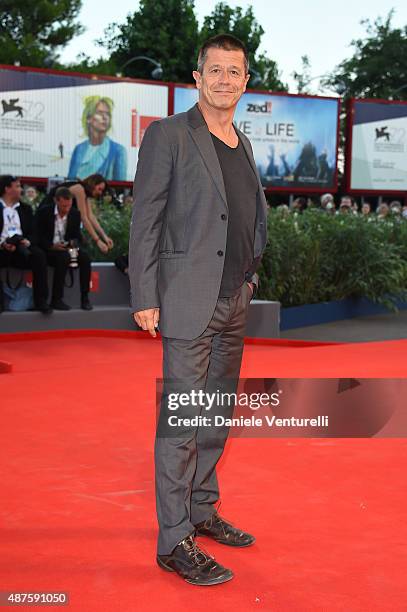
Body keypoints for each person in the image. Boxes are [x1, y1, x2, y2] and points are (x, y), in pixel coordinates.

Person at [129, 34, 268, 586]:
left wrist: (251, 277)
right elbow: (146, 218)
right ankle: (173, 541)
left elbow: (250, 214)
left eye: (234, 72)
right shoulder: (168, 135)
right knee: (183, 422)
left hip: (235, 297)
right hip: (187, 299)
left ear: (245, 80)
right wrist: (144, 295)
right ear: (197, 76)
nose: (225, 80)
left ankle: (203, 510)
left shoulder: (242, 141)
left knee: (215, 416)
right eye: (216, 70)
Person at [35, 187, 92, 311]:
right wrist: (51, 246)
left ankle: (85, 297)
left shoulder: (75, 214)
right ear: (56, 201)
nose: (66, 209)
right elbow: (38, 235)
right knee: (63, 257)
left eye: (69, 205)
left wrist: (73, 243)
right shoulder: (44, 212)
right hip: (49, 249)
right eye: (63, 206)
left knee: (85, 258)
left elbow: (76, 235)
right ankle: (56, 299)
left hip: (66, 248)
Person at [0, 175, 51, 313]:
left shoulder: (26, 209)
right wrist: (3, 244)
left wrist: (26, 241)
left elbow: (35, 233)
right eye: (17, 186)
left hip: (21, 247)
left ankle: (40, 301)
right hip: (2, 247)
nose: (20, 189)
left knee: (39, 255)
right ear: (7, 189)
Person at [40, 175, 113, 255]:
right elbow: (84, 218)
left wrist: (105, 237)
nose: (100, 193)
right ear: (93, 184)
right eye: (99, 189)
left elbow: (91, 217)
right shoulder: (79, 189)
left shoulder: (85, 192)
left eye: (102, 191)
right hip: (47, 217)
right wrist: (98, 241)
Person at [68, 96, 127, 181]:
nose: (105, 117)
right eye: (100, 113)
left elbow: (120, 184)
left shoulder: (118, 150)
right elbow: (70, 180)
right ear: (89, 118)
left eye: (108, 114)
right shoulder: (79, 149)